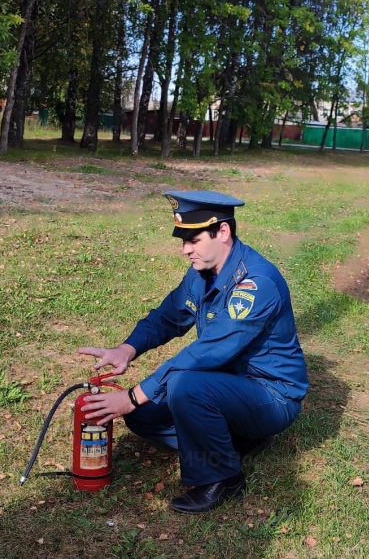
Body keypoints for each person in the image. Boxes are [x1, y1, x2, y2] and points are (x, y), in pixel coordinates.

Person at [78, 190, 309, 513]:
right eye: (182, 240)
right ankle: (233, 441)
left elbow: (206, 353)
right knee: (143, 416)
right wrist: (127, 349)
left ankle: (222, 477)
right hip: (226, 384)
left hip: (270, 395)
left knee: (184, 385)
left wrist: (130, 396)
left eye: (194, 239)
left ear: (223, 232)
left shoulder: (256, 284)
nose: (186, 249)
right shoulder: (203, 272)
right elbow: (169, 316)